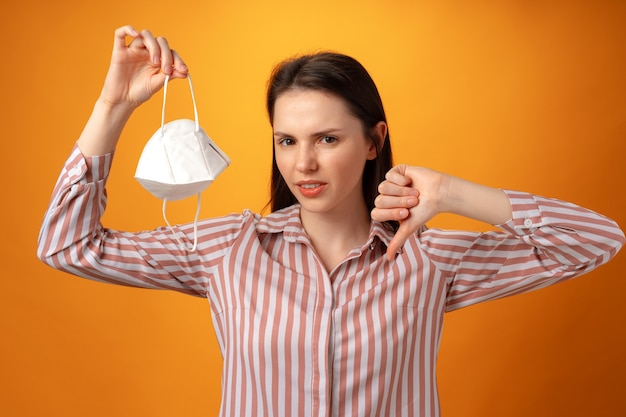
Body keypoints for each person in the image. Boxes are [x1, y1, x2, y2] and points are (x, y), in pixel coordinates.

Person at [37, 25, 624, 417]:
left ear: (374, 142)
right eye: (287, 141)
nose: (304, 162)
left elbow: (597, 240)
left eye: (327, 138)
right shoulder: (227, 249)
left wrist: (450, 192)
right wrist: (114, 105)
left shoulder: (428, 258)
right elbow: (67, 246)